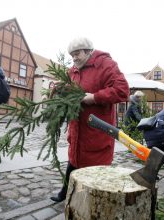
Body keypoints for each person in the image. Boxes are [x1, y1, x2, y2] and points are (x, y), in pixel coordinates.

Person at [50, 37, 129, 202]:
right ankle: (66, 193)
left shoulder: (106, 64)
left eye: (77, 53)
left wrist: (94, 97)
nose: (74, 58)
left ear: (88, 51)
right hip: (77, 127)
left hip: (96, 129)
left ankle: (92, 202)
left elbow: (122, 90)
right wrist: (61, 87)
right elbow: (74, 91)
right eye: (72, 55)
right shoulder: (73, 70)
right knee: (74, 160)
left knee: (95, 170)